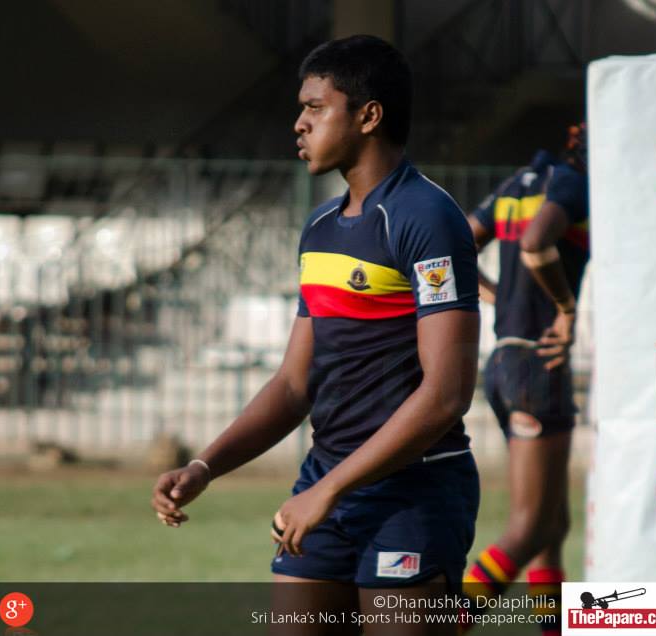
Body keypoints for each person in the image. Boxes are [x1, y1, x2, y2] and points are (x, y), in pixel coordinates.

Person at [151, 34, 481, 635]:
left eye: (314, 108)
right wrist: (204, 466)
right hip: (326, 483)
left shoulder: (427, 218)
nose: (298, 124)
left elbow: (446, 394)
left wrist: (327, 490)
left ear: (368, 116)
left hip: (415, 492)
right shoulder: (321, 226)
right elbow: (293, 384)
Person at [461, 125, 589, 636]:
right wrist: (566, 310)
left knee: (552, 528)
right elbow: (537, 244)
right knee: (530, 527)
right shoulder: (575, 183)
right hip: (539, 365)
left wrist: (503, 301)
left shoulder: (519, 183)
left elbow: (455, 244)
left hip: (505, 361)